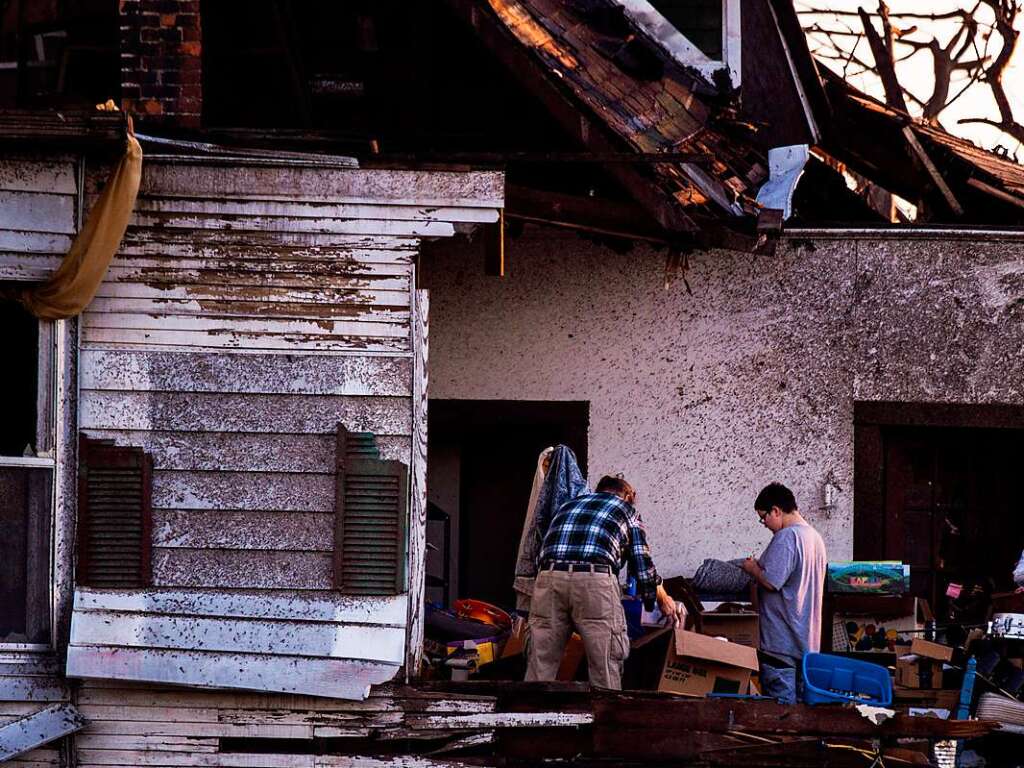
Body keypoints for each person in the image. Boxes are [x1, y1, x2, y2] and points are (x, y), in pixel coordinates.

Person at [526, 474, 679, 689]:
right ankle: (605, 719)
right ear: (629, 495)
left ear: (599, 490)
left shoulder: (567, 505)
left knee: (540, 662)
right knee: (605, 662)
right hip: (594, 581)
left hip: (548, 578)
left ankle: (531, 717)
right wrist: (661, 600)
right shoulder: (627, 511)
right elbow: (643, 566)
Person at [741, 482, 827, 704]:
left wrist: (752, 568)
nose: (764, 524)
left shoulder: (787, 537)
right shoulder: (815, 538)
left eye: (763, 517)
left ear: (776, 510)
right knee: (801, 713)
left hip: (781, 643)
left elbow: (771, 581)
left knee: (781, 717)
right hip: (806, 644)